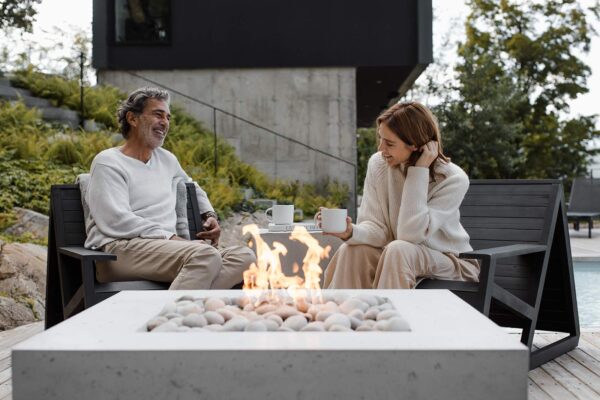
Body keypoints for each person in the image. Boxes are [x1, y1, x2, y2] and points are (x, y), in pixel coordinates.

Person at [84, 87, 255, 289]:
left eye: (168, 117)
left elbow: (192, 186)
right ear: (132, 118)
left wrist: (209, 215)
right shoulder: (108, 162)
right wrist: (172, 238)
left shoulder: (166, 159)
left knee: (244, 257)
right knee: (203, 256)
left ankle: (180, 305)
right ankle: (170, 316)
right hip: (120, 250)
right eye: (158, 115)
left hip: (166, 250)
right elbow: (115, 220)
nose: (165, 122)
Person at [319, 101, 479, 289]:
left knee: (399, 249)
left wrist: (419, 171)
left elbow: (409, 235)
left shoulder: (453, 179)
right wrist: (351, 232)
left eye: (389, 143)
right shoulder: (379, 164)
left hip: (450, 261)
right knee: (353, 250)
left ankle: (389, 318)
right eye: (380, 139)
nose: (380, 149)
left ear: (416, 145)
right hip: (397, 254)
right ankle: (346, 315)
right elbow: (378, 228)